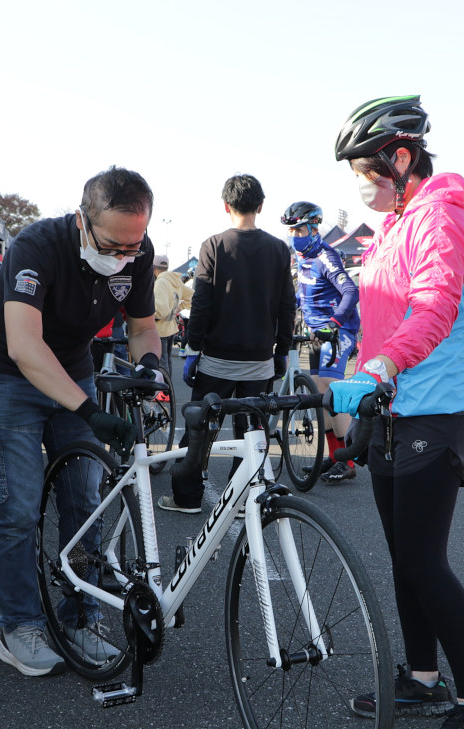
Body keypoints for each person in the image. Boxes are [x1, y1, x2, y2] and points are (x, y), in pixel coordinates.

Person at [329, 96, 464, 729]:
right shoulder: (397, 222)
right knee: (404, 560)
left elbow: (434, 307)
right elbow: (377, 319)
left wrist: (386, 362)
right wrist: (360, 381)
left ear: (400, 158)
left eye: (363, 169)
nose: (358, 183)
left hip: (435, 408)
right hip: (392, 408)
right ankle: (423, 679)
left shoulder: (439, 219)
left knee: (423, 562)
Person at [0, 166, 163, 677]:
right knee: (19, 507)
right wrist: (89, 411)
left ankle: (80, 617)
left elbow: (143, 327)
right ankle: (19, 627)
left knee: (85, 500)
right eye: (114, 245)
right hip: (9, 370)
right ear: (82, 221)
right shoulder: (36, 247)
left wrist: (150, 366)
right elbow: (24, 347)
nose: (124, 256)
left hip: (73, 365)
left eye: (134, 246)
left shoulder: (135, 252)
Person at [158, 174, 295, 514]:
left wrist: (192, 348)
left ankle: (186, 497)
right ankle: (240, 499)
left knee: (200, 428)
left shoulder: (214, 245)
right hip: (260, 359)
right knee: (252, 432)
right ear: (260, 206)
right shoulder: (279, 249)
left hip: (217, 357)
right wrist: (282, 351)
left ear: (226, 206)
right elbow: (286, 305)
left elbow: (202, 303)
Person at [280, 201, 361, 483]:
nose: (295, 235)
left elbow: (351, 291)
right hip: (316, 334)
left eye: (300, 229)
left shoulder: (326, 257)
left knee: (330, 388)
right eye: (292, 231)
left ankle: (348, 460)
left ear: (315, 228)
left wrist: (334, 323)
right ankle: (335, 456)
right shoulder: (301, 258)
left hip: (337, 332)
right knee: (320, 393)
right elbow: (300, 297)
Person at [153, 254, 190, 374]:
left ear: (153, 267)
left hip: (160, 328)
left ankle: (163, 389)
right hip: (171, 327)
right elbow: (194, 296)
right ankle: (168, 389)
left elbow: (160, 311)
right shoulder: (174, 280)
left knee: (161, 363)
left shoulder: (161, 282)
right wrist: (178, 308)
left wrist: (147, 315)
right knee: (167, 361)